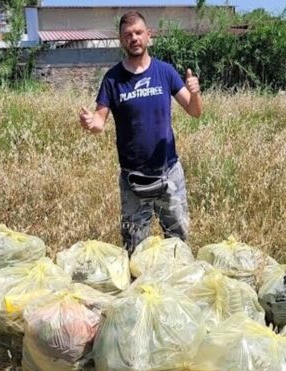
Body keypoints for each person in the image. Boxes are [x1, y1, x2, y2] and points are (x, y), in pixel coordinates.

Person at [79, 10, 203, 254]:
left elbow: (194, 110)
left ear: (149, 35)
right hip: (132, 178)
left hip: (169, 173)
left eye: (138, 32)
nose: (134, 38)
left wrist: (195, 92)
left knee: (178, 242)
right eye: (128, 34)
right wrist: (89, 122)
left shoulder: (165, 72)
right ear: (121, 40)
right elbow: (99, 122)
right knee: (133, 248)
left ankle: (175, 287)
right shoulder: (113, 79)